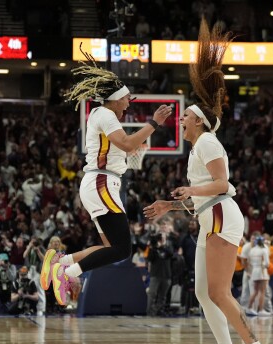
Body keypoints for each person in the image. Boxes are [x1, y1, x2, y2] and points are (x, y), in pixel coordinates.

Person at [143, 18, 273, 344]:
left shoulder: (207, 142)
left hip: (222, 216)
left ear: (199, 123)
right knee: (203, 292)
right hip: (209, 217)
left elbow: (222, 183)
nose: (181, 119)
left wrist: (189, 192)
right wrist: (169, 205)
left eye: (185, 116)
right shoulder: (197, 148)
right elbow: (201, 194)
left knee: (218, 290)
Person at [39, 48, 173, 307]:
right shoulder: (105, 114)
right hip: (101, 182)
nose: (128, 104)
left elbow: (126, 145)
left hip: (100, 183)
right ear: (115, 98)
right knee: (122, 249)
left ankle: (60, 261)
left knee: (109, 248)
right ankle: (66, 273)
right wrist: (154, 123)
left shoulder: (104, 115)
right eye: (126, 100)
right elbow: (126, 144)